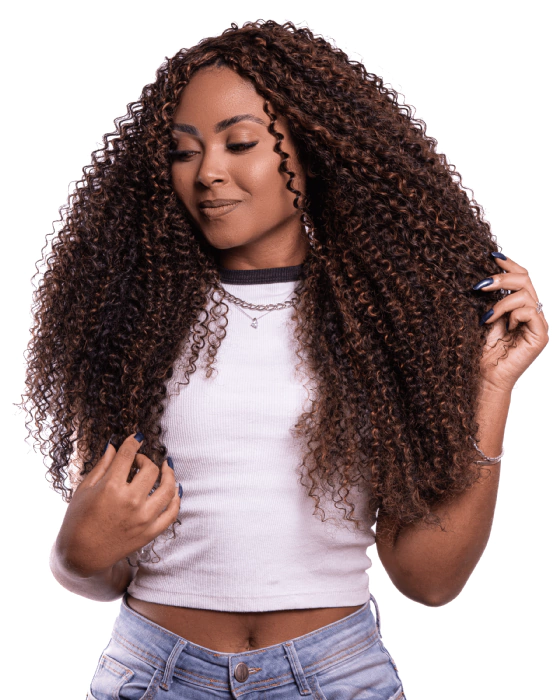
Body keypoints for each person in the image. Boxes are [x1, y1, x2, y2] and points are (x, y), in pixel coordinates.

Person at [21, 19, 548, 700]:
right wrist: (75, 556)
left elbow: (429, 580)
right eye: (184, 152)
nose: (209, 172)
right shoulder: (128, 324)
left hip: (336, 676)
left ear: (312, 147)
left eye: (239, 143)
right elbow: (102, 565)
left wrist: (492, 386)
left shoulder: (390, 323)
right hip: (155, 676)